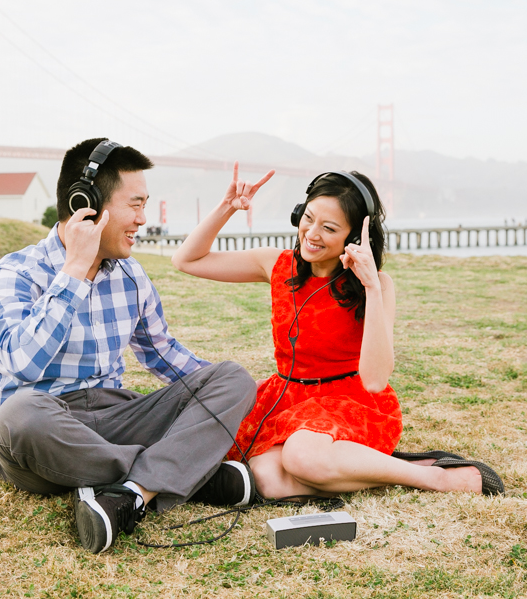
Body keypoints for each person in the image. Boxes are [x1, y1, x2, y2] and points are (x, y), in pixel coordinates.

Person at [0, 138, 258, 554]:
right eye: (135, 205)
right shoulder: (14, 273)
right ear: (88, 204)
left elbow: (166, 357)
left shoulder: (131, 275)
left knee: (233, 379)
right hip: (46, 428)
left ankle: (135, 489)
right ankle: (183, 472)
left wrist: (244, 397)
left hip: (115, 415)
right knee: (17, 415)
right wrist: (74, 271)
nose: (142, 219)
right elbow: (24, 365)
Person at [172, 165, 504, 499]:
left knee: (301, 456)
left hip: (347, 401)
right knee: (265, 478)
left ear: (355, 238)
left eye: (329, 228)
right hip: (286, 398)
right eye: (308, 218)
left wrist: (372, 286)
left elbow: (375, 380)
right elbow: (187, 260)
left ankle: (434, 477)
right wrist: (228, 206)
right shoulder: (276, 264)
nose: (311, 234)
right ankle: (360, 465)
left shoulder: (376, 286)